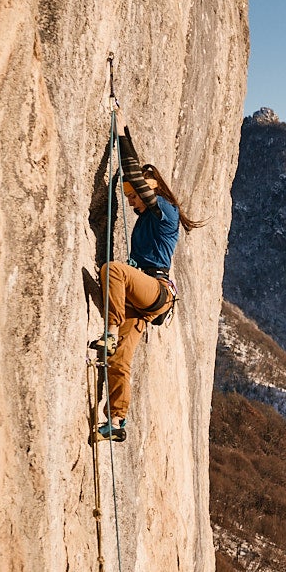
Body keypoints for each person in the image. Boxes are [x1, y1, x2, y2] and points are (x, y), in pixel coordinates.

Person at [93, 130, 204, 441]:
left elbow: (136, 175)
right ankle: (117, 421)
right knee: (119, 360)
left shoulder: (165, 212)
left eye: (133, 197)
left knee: (113, 271)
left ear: (147, 192)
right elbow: (136, 182)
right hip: (143, 302)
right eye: (127, 197)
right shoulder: (146, 219)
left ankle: (110, 331)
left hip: (157, 290)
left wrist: (123, 134)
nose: (130, 203)